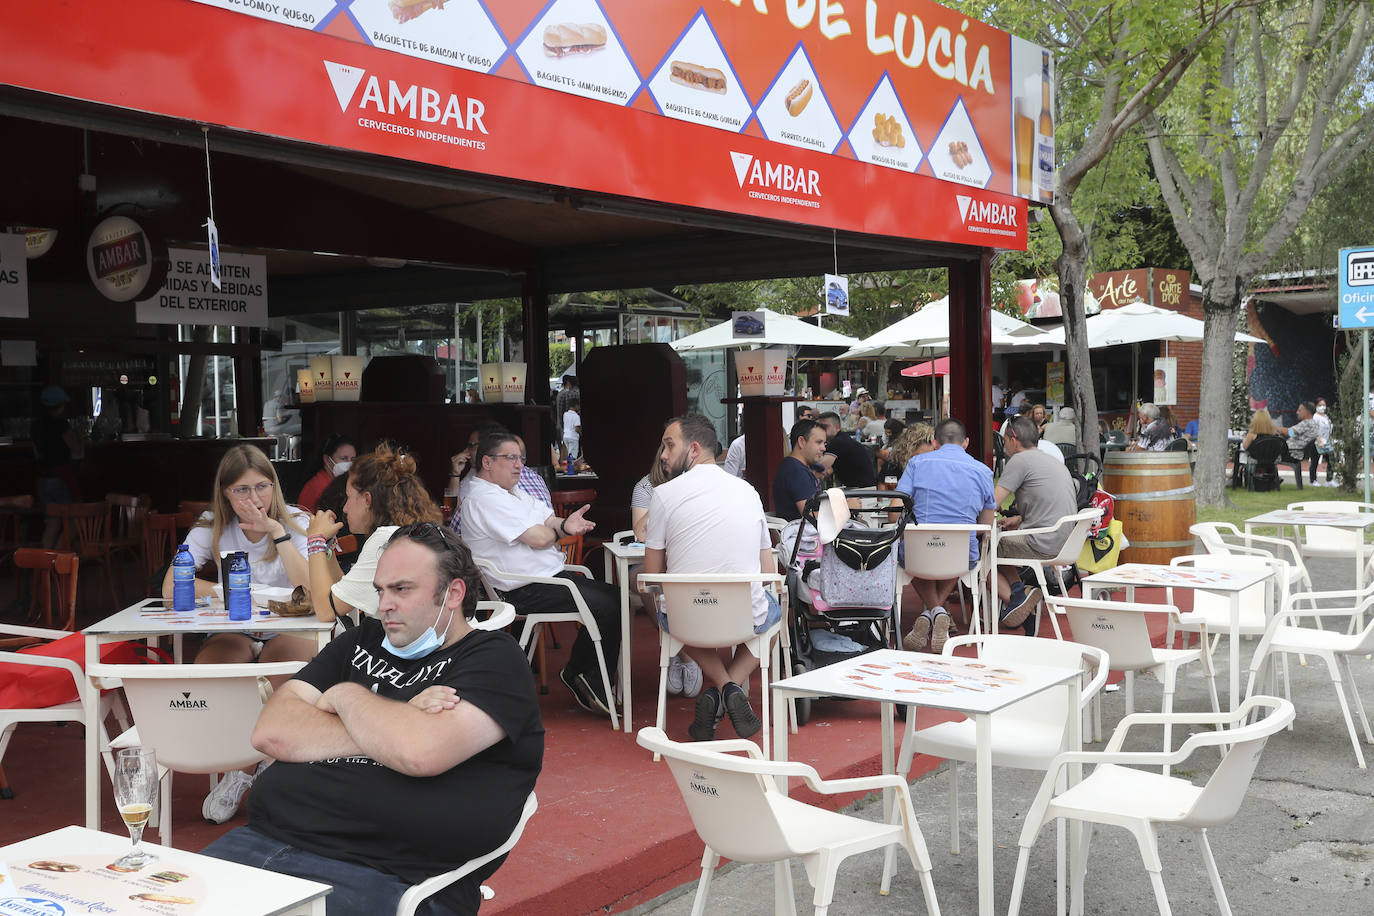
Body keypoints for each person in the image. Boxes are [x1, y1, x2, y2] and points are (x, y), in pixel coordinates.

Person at [202, 523, 543, 916]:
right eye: (381, 590)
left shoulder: (494, 660)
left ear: (453, 593)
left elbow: (418, 751)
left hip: (384, 876)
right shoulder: (359, 642)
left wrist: (344, 696)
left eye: (402, 589)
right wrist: (397, 724)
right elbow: (271, 732)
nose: (384, 605)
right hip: (256, 845)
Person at [461, 432, 621, 718]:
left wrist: (563, 524)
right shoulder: (484, 498)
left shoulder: (511, 492)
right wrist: (561, 530)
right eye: (510, 458)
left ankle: (581, 674)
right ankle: (584, 677)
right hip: (521, 590)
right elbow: (539, 537)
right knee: (609, 605)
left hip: (548, 578)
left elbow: (547, 520)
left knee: (616, 598)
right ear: (487, 461)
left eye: (521, 458)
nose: (519, 465)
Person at [643, 414, 779, 741]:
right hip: (745, 616)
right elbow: (769, 572)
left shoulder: (663, 495)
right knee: (775, 614)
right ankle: (732, 688)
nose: (663, 454)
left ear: (693, 449)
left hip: (689, 618)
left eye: (669, 445)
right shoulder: (748, 491)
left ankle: (722, 689)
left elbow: (651, 573)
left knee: (667, 609)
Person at [306, 444, 444, 623]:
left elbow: (326, 612)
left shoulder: (385, 541)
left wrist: (314, 540)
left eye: (348, 497)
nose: (345, 508)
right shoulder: (405, 533)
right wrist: (326, 544)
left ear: (367, 499)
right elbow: (344, 596)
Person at [895, 419, 996, 653]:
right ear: (966, 443)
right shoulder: (983, 471)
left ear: (933, 442)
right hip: (960, 556)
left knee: (910, 553)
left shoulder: (916, 463)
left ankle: (932, 611)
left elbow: (893, 515)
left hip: (918, 554)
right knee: (960, 551)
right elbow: (986, 526)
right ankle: (938, 611)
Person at [631, 443, 703, 699]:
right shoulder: (646, 487)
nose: (666, 459)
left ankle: (680, 651)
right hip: (655, 562)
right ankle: (683, 654)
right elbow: (640, 533)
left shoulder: (698, 484)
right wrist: (664, 497)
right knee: (641, 577)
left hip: (690, 560)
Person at [994, 416, 1079, 632]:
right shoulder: (1050, 459)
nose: (1005, 447)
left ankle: (1017, 595)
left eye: (1004, 441)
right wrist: (1019, 519)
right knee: (998, 542)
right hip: (1066, 540)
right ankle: (1022, 606)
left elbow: (992, 503)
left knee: (987, 548)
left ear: (1014, 439)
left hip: (1043, 541)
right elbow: (1050, 501)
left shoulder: (1020, 460)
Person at [33, 384, 82, 548]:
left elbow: (36, 454)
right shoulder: (62, 425)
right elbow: (76, 448)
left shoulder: (35, 425)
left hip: (43, 479)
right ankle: (59, 560)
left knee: (52, 523)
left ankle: (45, 565)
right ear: (60, 405)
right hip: (61, 478)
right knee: (75, 522)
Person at [773, 419, 826, 521]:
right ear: (801, 442)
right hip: (804, 535)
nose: (823, 448)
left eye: (824, 443)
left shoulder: (793, 467)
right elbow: (811, 517)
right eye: (819, 442)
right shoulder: (796, 471)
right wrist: (844, 507)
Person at [297, 435, 357, 512]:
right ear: (327, 460)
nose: (349, 463)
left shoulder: (335, 483)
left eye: (353, 459)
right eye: (343, 458)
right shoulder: (319, 486)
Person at [817, 411, 877, 488]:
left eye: (824, 426)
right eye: (819, 427)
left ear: (837, 427)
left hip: (861, 492)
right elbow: (827, 471)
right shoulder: (842, 439)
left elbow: (820, 468)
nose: (821, 430)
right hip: (864, 488)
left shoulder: (838, 442)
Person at [1312, 398, 1335, 485]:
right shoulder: (1315, 417)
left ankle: (1329, 480)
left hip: (1327, 442)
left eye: (1324, 405)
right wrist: (1319, 441)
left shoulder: (1326, 417)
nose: (1322, 407)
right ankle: (1313, 480)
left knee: (1331, 460)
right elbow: (1314, 430)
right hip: (1317, 442)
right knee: (1315, 461)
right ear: (1316, 406)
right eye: (1320, 405)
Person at [562, 396, 582, 461]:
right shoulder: (576, 416)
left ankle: (569, 467)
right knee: (573, 456)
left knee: (569, 454)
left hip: (565, 436)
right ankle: (571, 469)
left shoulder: (565, 414)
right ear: (576, 406)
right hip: (573, 437)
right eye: (579, 406)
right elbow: (577, 428)